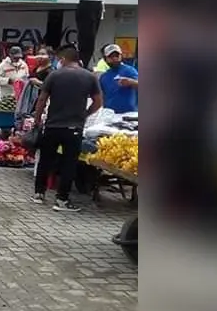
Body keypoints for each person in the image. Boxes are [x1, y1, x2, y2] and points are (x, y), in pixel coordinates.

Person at [32, 45, 104, 212]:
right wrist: (85, 114)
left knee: (45, 160)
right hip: (74, 128)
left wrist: (37, 120)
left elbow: (42, 100)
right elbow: (98, 102)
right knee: (69, 163)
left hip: (52, 126)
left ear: (63, 59)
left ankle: (38, 194)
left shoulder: (54, 75)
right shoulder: (90, 77)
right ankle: (62, 200)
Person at [97, 44, 139, 113]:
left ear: (121, 56)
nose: (114, 58)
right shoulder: (104, 76)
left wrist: (131, 82)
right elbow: (101, 97)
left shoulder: (130, 70)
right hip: (109, 115)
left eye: (117, 55)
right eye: (111, 56)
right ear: (105, 59)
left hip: (129, 115)